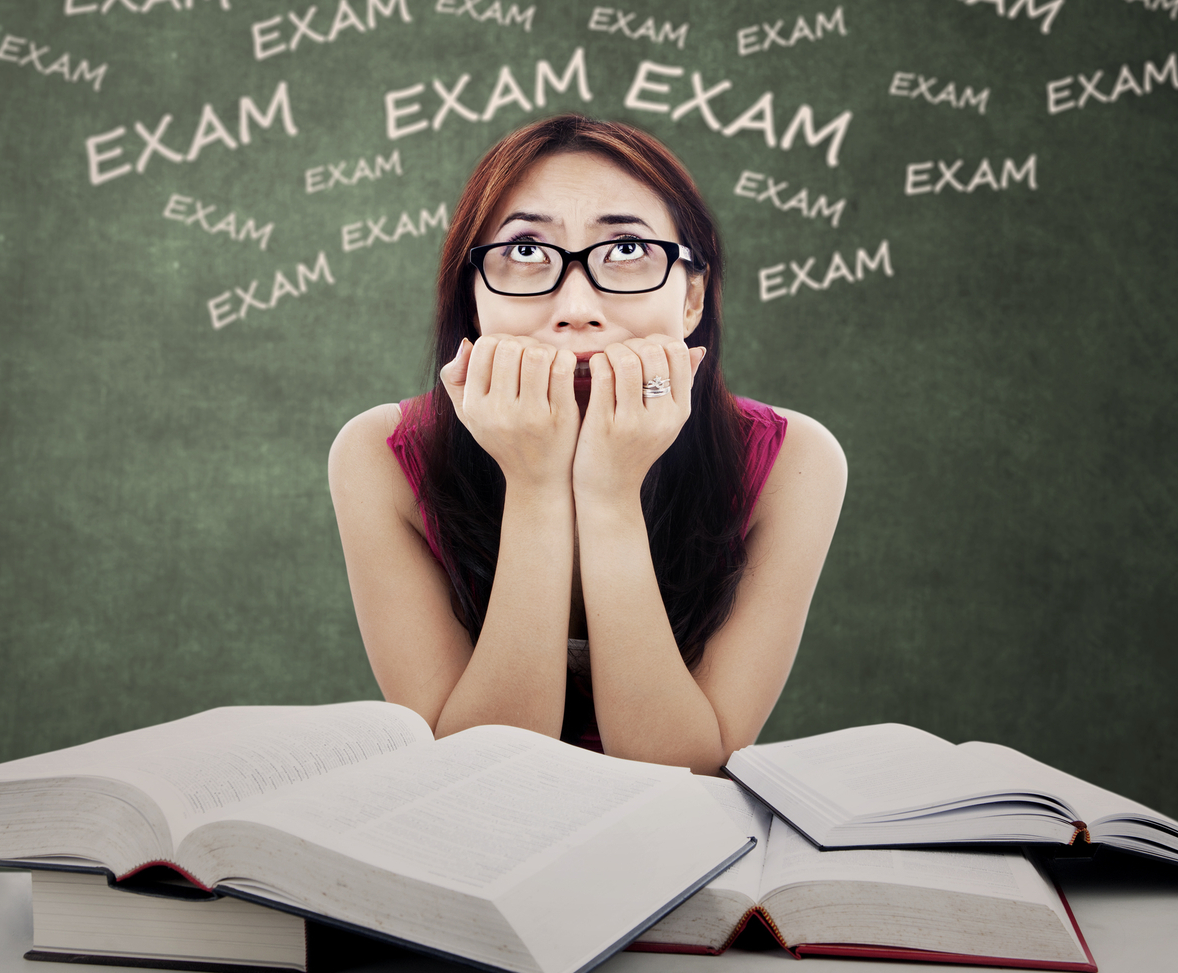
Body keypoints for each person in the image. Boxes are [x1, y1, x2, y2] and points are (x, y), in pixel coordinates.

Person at [330, 114, 846, 775]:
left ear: (690, 296)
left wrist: (608, 489)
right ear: (474, 296)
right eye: (523, 251)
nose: (576, 306)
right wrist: (535, 483)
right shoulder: (379, 454)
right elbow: (479, 773)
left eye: (626, 251)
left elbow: (686, 767)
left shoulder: (793, 462)